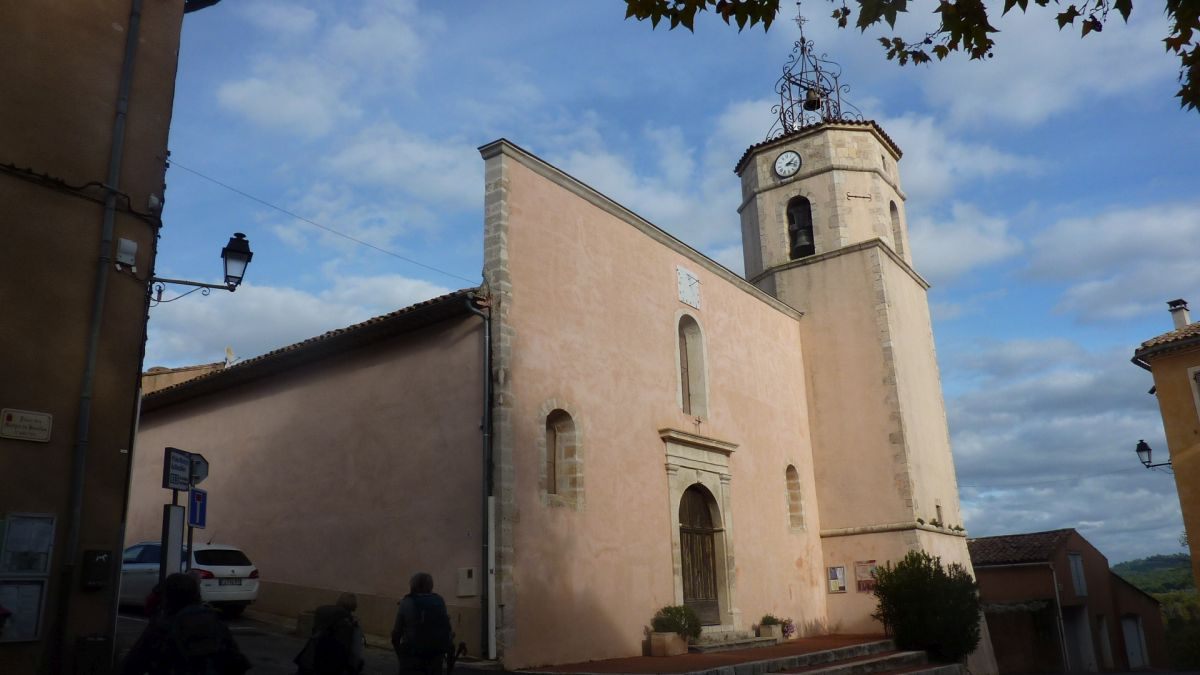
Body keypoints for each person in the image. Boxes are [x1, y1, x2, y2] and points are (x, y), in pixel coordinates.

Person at [120, 572, 251, 675]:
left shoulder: (162, 627)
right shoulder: (214, 621)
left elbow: (131, 666)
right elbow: (237, 662)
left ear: (167, 598)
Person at [391, 572, 454, 674]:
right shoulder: (439, 601)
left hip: (412, 657)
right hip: (435, 658)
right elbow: (448, 630)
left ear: (413, 585)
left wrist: (401, 657)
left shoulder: (407, 602)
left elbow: (396, 634)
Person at [295, 592, 365, 675]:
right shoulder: (347, 623)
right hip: (329, 664)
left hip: (309, 659)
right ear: (353, 607)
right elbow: (352, 650)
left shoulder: (323, 612)